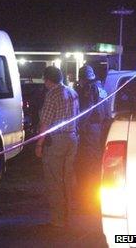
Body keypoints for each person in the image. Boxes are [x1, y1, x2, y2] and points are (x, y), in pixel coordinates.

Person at [35, 66, 79, 228]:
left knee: (54, 180)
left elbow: (45, 122)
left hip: (57, 141)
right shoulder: (72, 92)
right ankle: (72, 216)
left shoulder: (52, 95)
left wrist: (39, 144)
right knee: (68, 178)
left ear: (47, 80)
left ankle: (58, 220)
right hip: (72, 138)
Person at [75, 65, 109, 212]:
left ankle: (87, 200)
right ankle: (95, 198)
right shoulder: (101, 88)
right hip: (100, 129)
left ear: (83, 78)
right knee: (95, 164)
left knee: (86, 165)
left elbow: (86, 111)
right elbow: (106, 111)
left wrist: (78, 126)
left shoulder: (89, 89)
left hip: (89, 130)